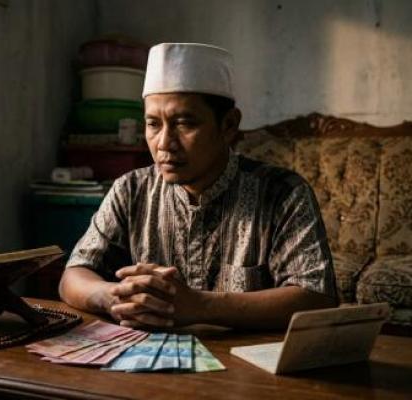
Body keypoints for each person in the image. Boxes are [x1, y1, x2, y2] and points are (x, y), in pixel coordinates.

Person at [59, 43, 338, 330]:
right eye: (153, 124)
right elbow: (74, 275)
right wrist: (116, 297)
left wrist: (200, 306)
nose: (164, 143)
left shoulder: (283, 193)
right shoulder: (130, 190)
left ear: (228, 126)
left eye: (184, 124)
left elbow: (316, 298)